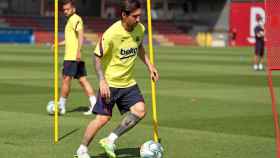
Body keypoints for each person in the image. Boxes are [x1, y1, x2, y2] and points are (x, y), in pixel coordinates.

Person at [75, 0, 160, 158]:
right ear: (124, 15)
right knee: (102, 119)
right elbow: (97, 57)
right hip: (110, 84)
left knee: (140, 110)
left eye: (140, 16)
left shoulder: (140, 29)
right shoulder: (111, 33)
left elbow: (139, 46)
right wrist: (101, 80)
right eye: (135, 16)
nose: (138, 19)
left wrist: (150, 66)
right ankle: (81, 149)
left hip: (128, 83)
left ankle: (110, 139)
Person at [55, 0, 96, 115]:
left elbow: (81, 36)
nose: (65, 11)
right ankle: (94, 105)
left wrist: (78, 51)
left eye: (68, 9)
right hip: (73, 56)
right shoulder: (70, 21)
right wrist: (58, 44)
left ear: (74, 9)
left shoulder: (76, 19)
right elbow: (70, 40)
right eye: (64, 10)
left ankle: (61, 106)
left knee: (66, 80)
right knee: (82, 80)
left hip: (72, 57)